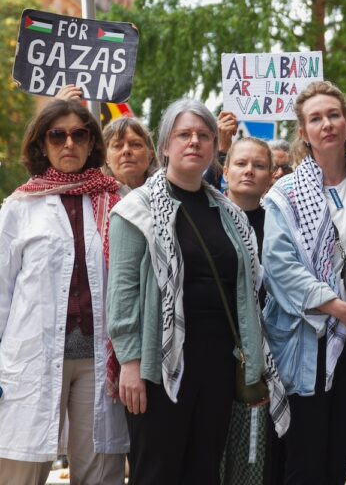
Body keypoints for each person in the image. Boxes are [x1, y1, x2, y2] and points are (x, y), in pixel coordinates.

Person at [107, 99, 288, 485]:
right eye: (184, 134)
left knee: (204, 470)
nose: (194, 142)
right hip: (158, 367)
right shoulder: (135, 209)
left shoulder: (229, 213)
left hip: (217, 365)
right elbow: (122, 293)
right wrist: (130, 362)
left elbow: (245, 291)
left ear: (213, 148)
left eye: (203, 136)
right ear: (166, 146)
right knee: (156, 471)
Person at [263, 81, 346, 484]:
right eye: (315, 118)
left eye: (333, 115)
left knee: (340, 455)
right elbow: (280, 266)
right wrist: (335, 306)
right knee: (305, 462)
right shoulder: (284, 194)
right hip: (308, 340)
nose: (327, 124)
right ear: (303, 132)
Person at [0, 99, 127, 484]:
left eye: (79, 134)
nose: (68, 143)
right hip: (32, 356)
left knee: (98, 471)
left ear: (92, 143)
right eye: (57, 135)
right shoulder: (20, 207)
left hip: (97, 359)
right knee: (22, 469)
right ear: (42, 144)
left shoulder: (116, 200)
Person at [218, 136, 280, 485]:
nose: (249, 171)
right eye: (241, 164)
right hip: (212, 347)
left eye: (258, 165)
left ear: (270, 176)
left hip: (263, 354)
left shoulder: (280, 225)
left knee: (252, 455)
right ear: (225, 171)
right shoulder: (208, 217)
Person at [102, 116, 158, 190]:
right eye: (117, 146)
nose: (126, 150)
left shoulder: (169, 194)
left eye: (136, 144)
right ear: (106, 158)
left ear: (150, 155)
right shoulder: (91, 199)